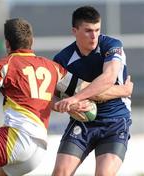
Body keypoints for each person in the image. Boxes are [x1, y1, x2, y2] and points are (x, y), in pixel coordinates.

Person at [0, 18, 132, 176]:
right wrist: (122, 90)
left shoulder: (4, 65)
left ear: (7, 44)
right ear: (32, 41)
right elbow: (87, 88)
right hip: (37, 151)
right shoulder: (52, 67)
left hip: (15, 137)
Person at [52, 6, 132, 176]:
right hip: (82, 121)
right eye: (88, 30)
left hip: (115, 120)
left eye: (97, 30)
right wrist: (61, 105)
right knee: (60, 173)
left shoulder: (112, 45)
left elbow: (108, 77)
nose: (94, 36)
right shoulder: (62, 60)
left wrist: (75, 98)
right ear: (74, 31)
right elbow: (51, 97)